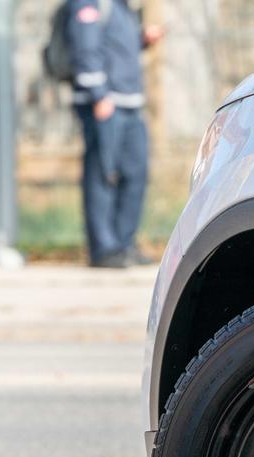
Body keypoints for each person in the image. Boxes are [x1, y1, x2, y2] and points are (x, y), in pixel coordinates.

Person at [66, 0, 164, 268]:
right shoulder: (88, 3)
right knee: (102, 174)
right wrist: (99, 95)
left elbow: (115, 46)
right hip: (104, 103)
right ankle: (104, 249)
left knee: (135, 172)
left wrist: (142, 39)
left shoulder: (121, 7)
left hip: (131, 102)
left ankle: (124, 244)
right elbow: (85, 48)